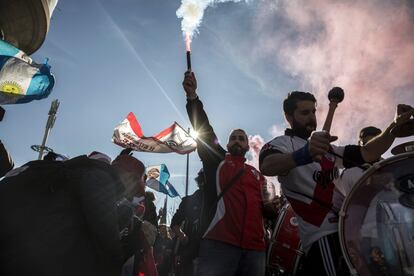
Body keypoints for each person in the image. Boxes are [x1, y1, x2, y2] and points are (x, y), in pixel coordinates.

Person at [259, 91, 414, 276]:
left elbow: (367, 153)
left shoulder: (327, 148)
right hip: (323, 235)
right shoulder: (282, 144)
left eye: (313, 112)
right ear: (288, 116)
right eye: (304, 113)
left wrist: (394, 126)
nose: (311, 118)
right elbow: (267, 165)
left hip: (349, 232)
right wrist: (305, 153)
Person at [183, 71, 276, 276]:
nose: (237, 139)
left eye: (241, 138)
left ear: (247, 146)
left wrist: (272, 208)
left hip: (255, 250)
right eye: (233, 137)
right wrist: (192, 97)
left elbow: (268, 210)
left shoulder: (258, 176)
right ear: (226, 144)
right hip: (218, 244)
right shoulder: (217, 161)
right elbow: (204, 129)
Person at [0, 151, 147, 276]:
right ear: (131, 179)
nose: (130, 195)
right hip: (26, 260)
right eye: (134, 188)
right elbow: (106, 237)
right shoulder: (101, 178)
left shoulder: (74, 170)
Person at [170, 168, 205, 276]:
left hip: (209, 250)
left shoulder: (216, 200)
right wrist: (182, 236)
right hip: (189, 252)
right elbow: (175, 222)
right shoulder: (189, 200)